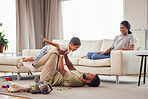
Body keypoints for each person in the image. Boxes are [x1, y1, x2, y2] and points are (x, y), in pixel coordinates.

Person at [17, 35, 81, 72]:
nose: (76, 49)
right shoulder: (65, 46)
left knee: (41, 60)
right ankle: (23, 60)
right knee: (36, 58)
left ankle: (28, 62)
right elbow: (55, 44)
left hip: (51, 53)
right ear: (71, 44)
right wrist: (46, 41)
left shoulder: (68, 50)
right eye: (76, 47)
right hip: (46, 49)